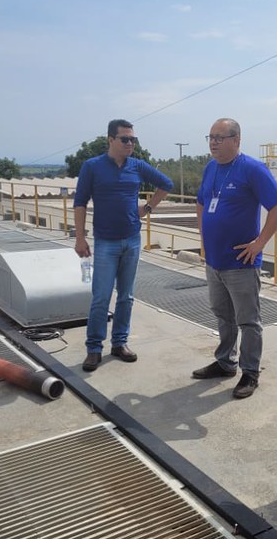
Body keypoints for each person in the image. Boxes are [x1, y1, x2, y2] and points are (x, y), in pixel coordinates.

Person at [192, 118, 277, 399]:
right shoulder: (211, 168)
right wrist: (203, 240)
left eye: (219, 137)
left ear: (236, 140)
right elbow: (200, 202)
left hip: (241, 263)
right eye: (210, 137)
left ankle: (250, 372)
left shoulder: (252, 169)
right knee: (222, 314)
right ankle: (225, 362)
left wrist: (260, 243)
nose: (213, 142)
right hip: (215, 260)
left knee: (248, 320)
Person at [73, 119, 173, 372]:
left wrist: (147, 208)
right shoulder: (92, 167)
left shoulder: (137, 166)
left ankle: (119, 343)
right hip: (105, 242)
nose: (130, 143)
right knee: (101, 297)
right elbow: (80, 202)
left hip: (132, 239)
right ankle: (94, 348)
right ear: (110, 139)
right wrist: (80, 238)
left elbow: (166, 184)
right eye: (125, 139)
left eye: (133, 139)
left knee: (126, 296)